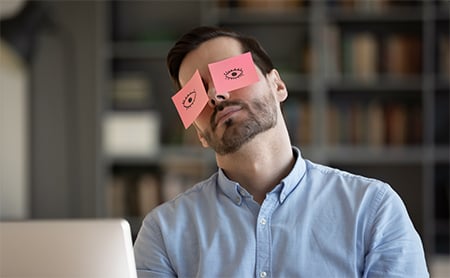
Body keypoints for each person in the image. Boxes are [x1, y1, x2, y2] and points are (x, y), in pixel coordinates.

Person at [134, 26, 429, 277]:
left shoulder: (374, 209)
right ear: (198, 133)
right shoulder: (163, 232)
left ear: (277, 85)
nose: (216, 95)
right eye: (195, 95)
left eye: (230, 72)